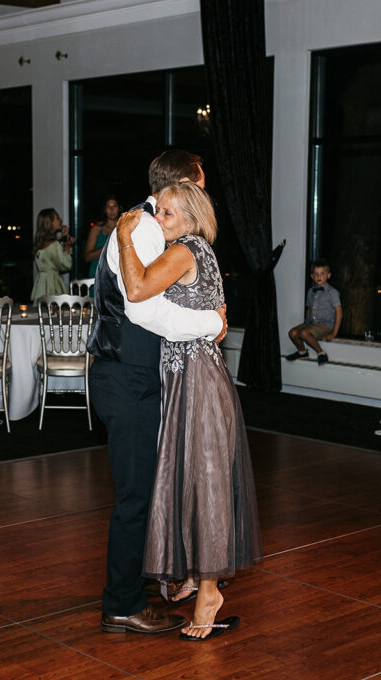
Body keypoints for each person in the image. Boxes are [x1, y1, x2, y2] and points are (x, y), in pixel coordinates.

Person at [87, 149, 227, 636]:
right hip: (128, 376)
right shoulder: (143, 228)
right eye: (200, 185)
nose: (203, 194)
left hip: (136, 374)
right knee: (135, 494)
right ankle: (121, 604)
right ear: (183, 186)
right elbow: (143, 309)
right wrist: (211, 322)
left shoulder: (151, 227)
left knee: (148, 484)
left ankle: (137, 581)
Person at [115, 181, 262, 641]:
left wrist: (122, 238)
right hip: (191, 377)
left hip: (196, 380)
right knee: (195, 480)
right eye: (158, 212)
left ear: (192, 220)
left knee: (206, 485)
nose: (158, 221)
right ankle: (197, 581)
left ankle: (209, 594)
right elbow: (205, 313)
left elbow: (136, 291)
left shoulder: (184, 250)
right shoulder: (195, 250)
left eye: (168, 215)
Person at [286, 259, 342, 365]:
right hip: (311, 322)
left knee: (304, 333)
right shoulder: (310, 291)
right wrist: (307, 323)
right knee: (292, 333)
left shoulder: (332, 292)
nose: (319, 277)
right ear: (312, 276)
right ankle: (302, 352)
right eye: (316, 274)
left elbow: (339, 312)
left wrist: (334, 332)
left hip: (325, 324)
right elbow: (309, 309)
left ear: (328, 275)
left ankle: (321, 353)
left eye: (322, 274)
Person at [30, 209, 75, 300]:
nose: (61, 220)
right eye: (57, 218)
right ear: (49, 223)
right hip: (53, 284)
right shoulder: (54, 245)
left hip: (41, 284)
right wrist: (67, 249)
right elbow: (65, 265)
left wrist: (64, 237)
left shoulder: (40, 244)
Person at [84, 197, 120, 279]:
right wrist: (108, 247)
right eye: (108, 207)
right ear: (104, 210)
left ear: (119, 208)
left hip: (117, 273)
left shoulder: (123, 227)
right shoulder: (96, 228)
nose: (112, 210)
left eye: (114, 206)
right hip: (98, 273)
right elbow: (87, 257)